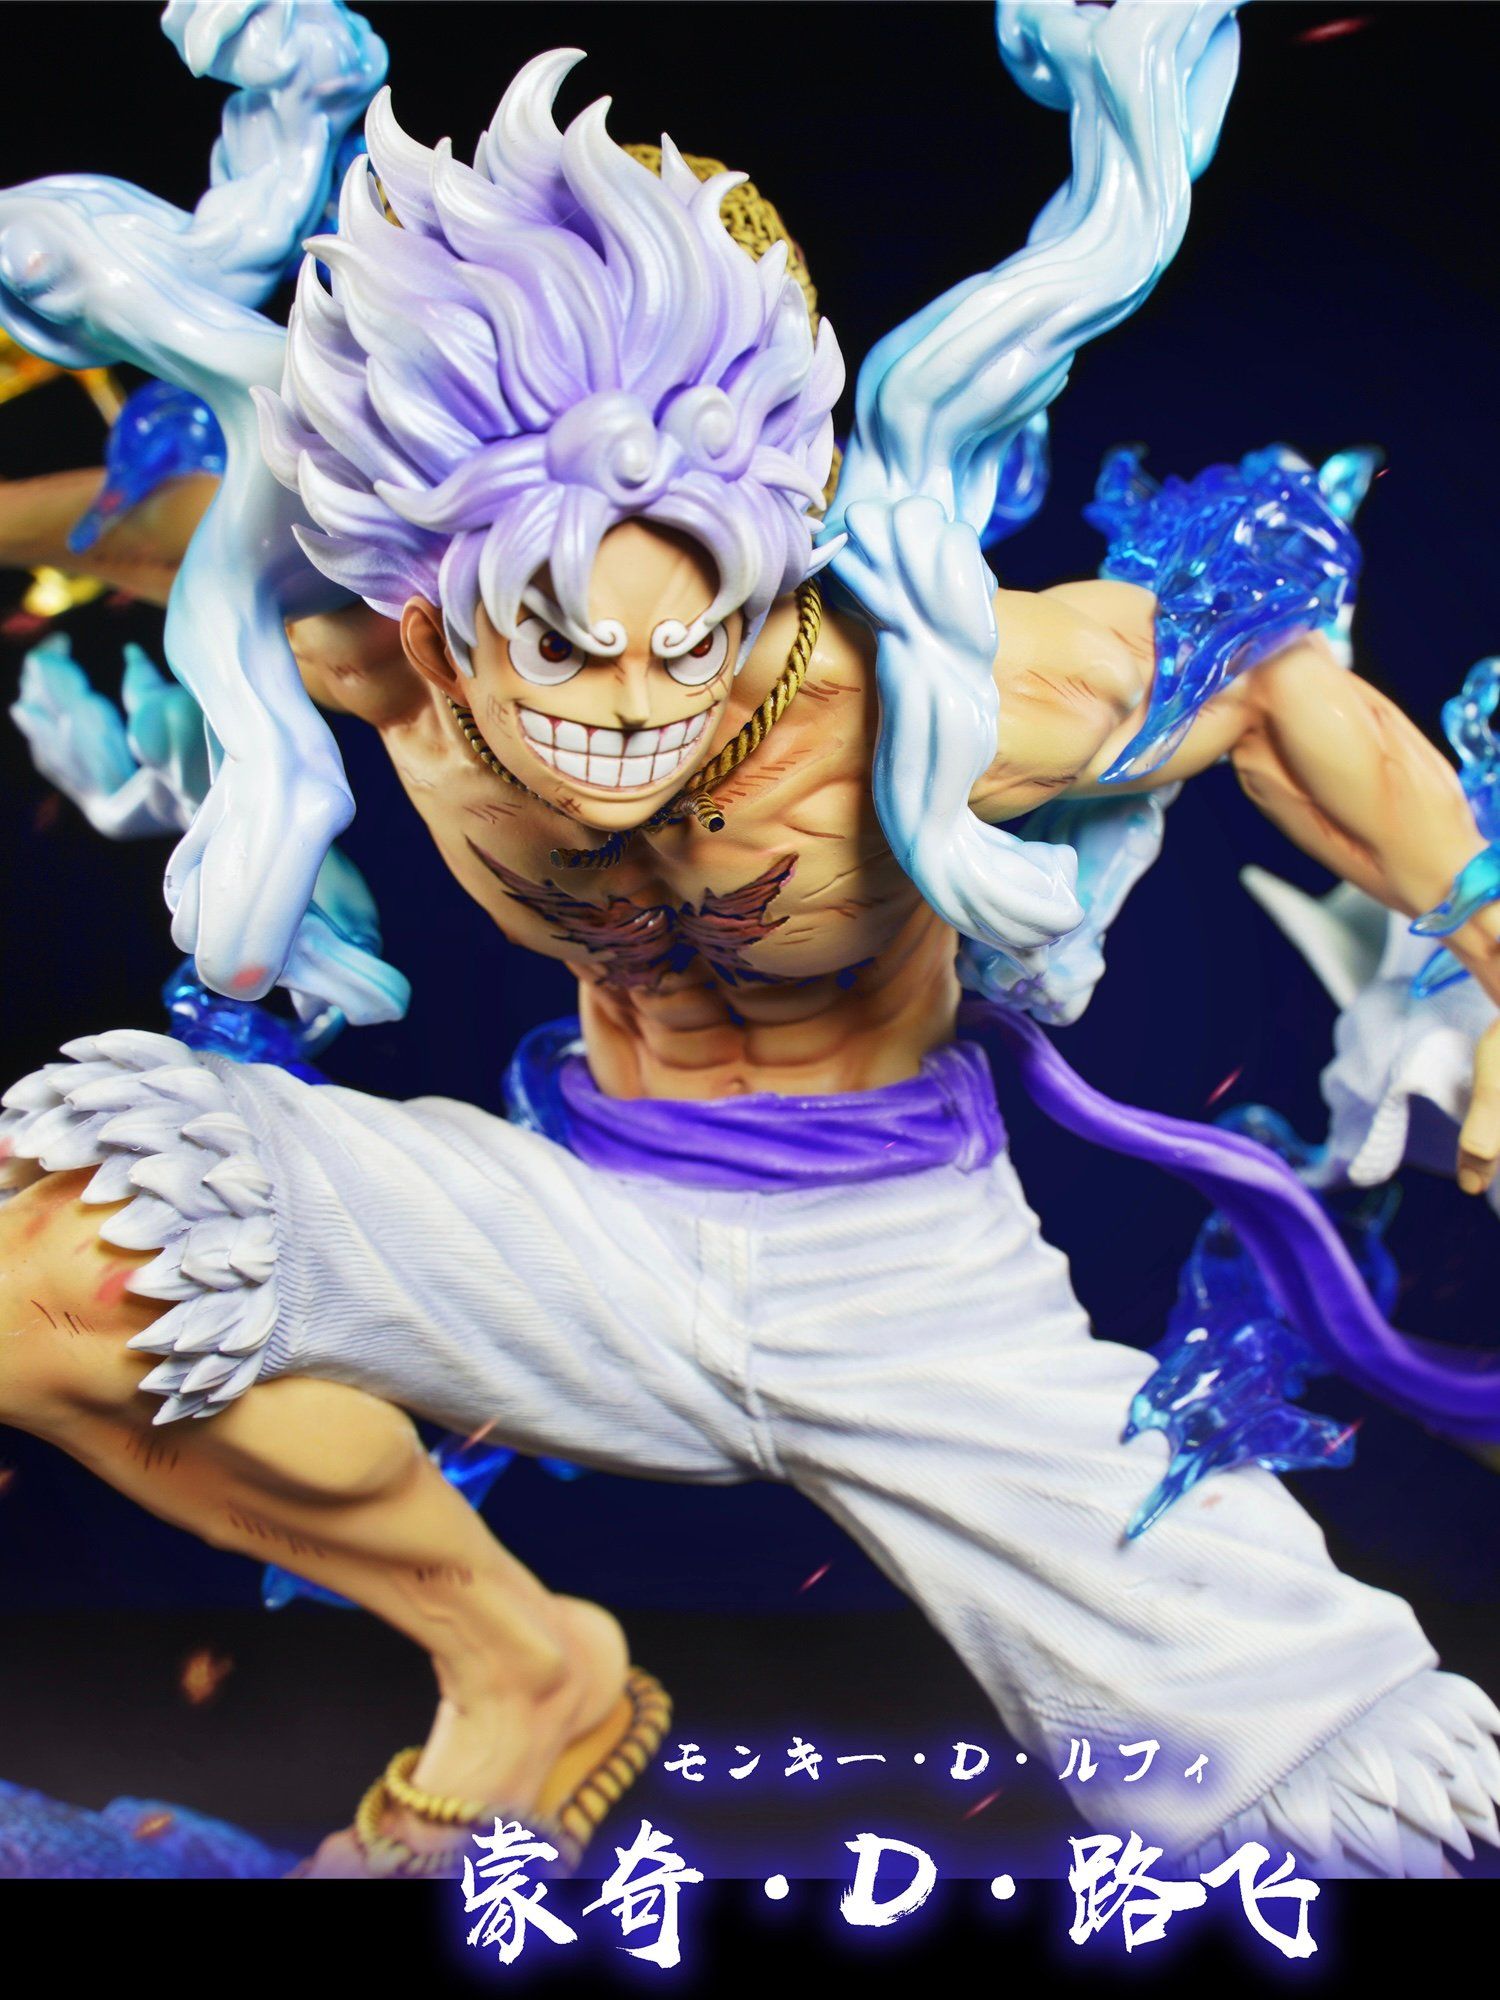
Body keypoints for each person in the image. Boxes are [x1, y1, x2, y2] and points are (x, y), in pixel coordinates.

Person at [4, 20, 1500, 1883]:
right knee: (57, 1273)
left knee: (1352, 1791)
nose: (635, 708)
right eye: (564, 649)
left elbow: (1272, 689)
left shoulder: (919, 694)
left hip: (900, 1276)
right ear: (441, 620)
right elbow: (151, 525)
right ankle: (526, 1674)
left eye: (687, 642)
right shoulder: (372, 647)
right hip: (576, 1220)